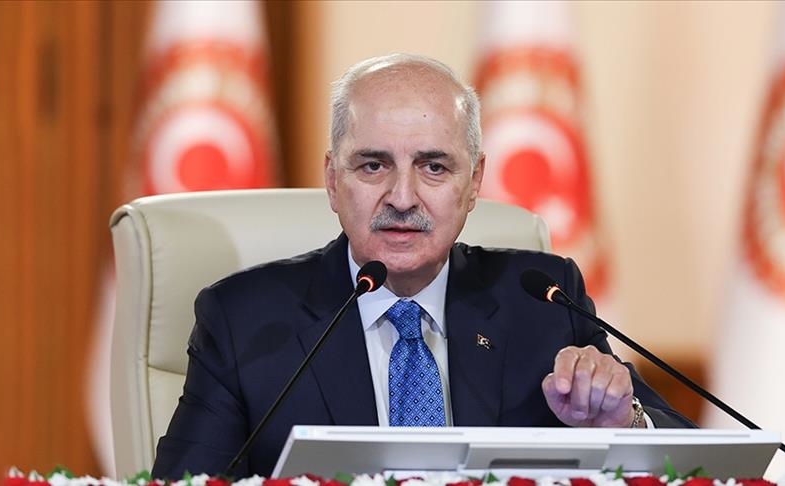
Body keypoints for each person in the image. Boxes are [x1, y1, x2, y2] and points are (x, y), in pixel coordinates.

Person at [151, 53, 694, 480]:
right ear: (333, 181)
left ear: (474, 183)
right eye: (373, 165)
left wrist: (625, 423)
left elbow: (694, 465)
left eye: (434, 167)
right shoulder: (244, 321)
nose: (402, 197)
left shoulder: (544, 303)